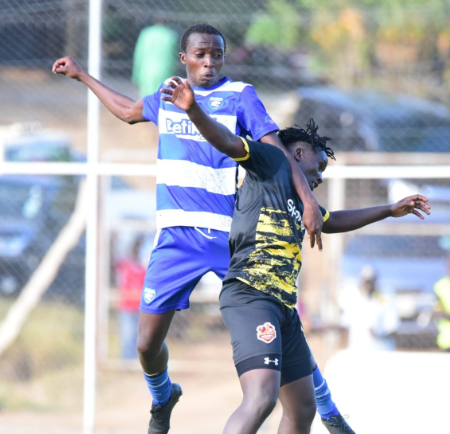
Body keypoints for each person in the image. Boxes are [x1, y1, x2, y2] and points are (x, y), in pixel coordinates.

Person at [52, 23, 331, 434]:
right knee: (146, 343)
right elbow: (129, 111)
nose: (209, 62)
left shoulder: (240, 96)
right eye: (200, 54)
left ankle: (325, 402)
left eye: (216, 54)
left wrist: (308, 198)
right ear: (183, 59)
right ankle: (164, 395)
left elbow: (274, 149)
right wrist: (82, 75)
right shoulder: (168, 95)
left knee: (279, 311)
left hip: (226, 236)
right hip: (175, 238)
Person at [161, 75, 431, 433]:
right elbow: (226, 140)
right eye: (318, 167)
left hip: (284, 309)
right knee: (261, 397)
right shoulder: (269, 162)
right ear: (299, 153)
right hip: (251, 295)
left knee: (303, 408)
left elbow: (332, 220)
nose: (319, 177)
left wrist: (388, 209)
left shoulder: (303, 202)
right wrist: (193, 109)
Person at [342, 265, 398, 351]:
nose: (368, 285)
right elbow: (344, 325)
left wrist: (379, 336)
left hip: (379, 351)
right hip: (357, 352)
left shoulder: (384, 302)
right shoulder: (354, 302)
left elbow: (392, 329)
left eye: (370, 282)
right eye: (366, 282)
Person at [115, 236, 146, 359]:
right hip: (127, 307)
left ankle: (137, 360)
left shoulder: (144, 268)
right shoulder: (125, 265)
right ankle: (127, 360)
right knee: (127, 334)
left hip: (140, 308)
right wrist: (114, 240)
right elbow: (113, 258)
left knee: (139, 336)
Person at [132, 22, 177, 98]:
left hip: (145, 71)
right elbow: (173, 57)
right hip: (164, 71)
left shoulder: (145, 33)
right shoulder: (170, 35)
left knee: (146, 99)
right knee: (162, 98)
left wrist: (135, 76)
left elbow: (138, 56)